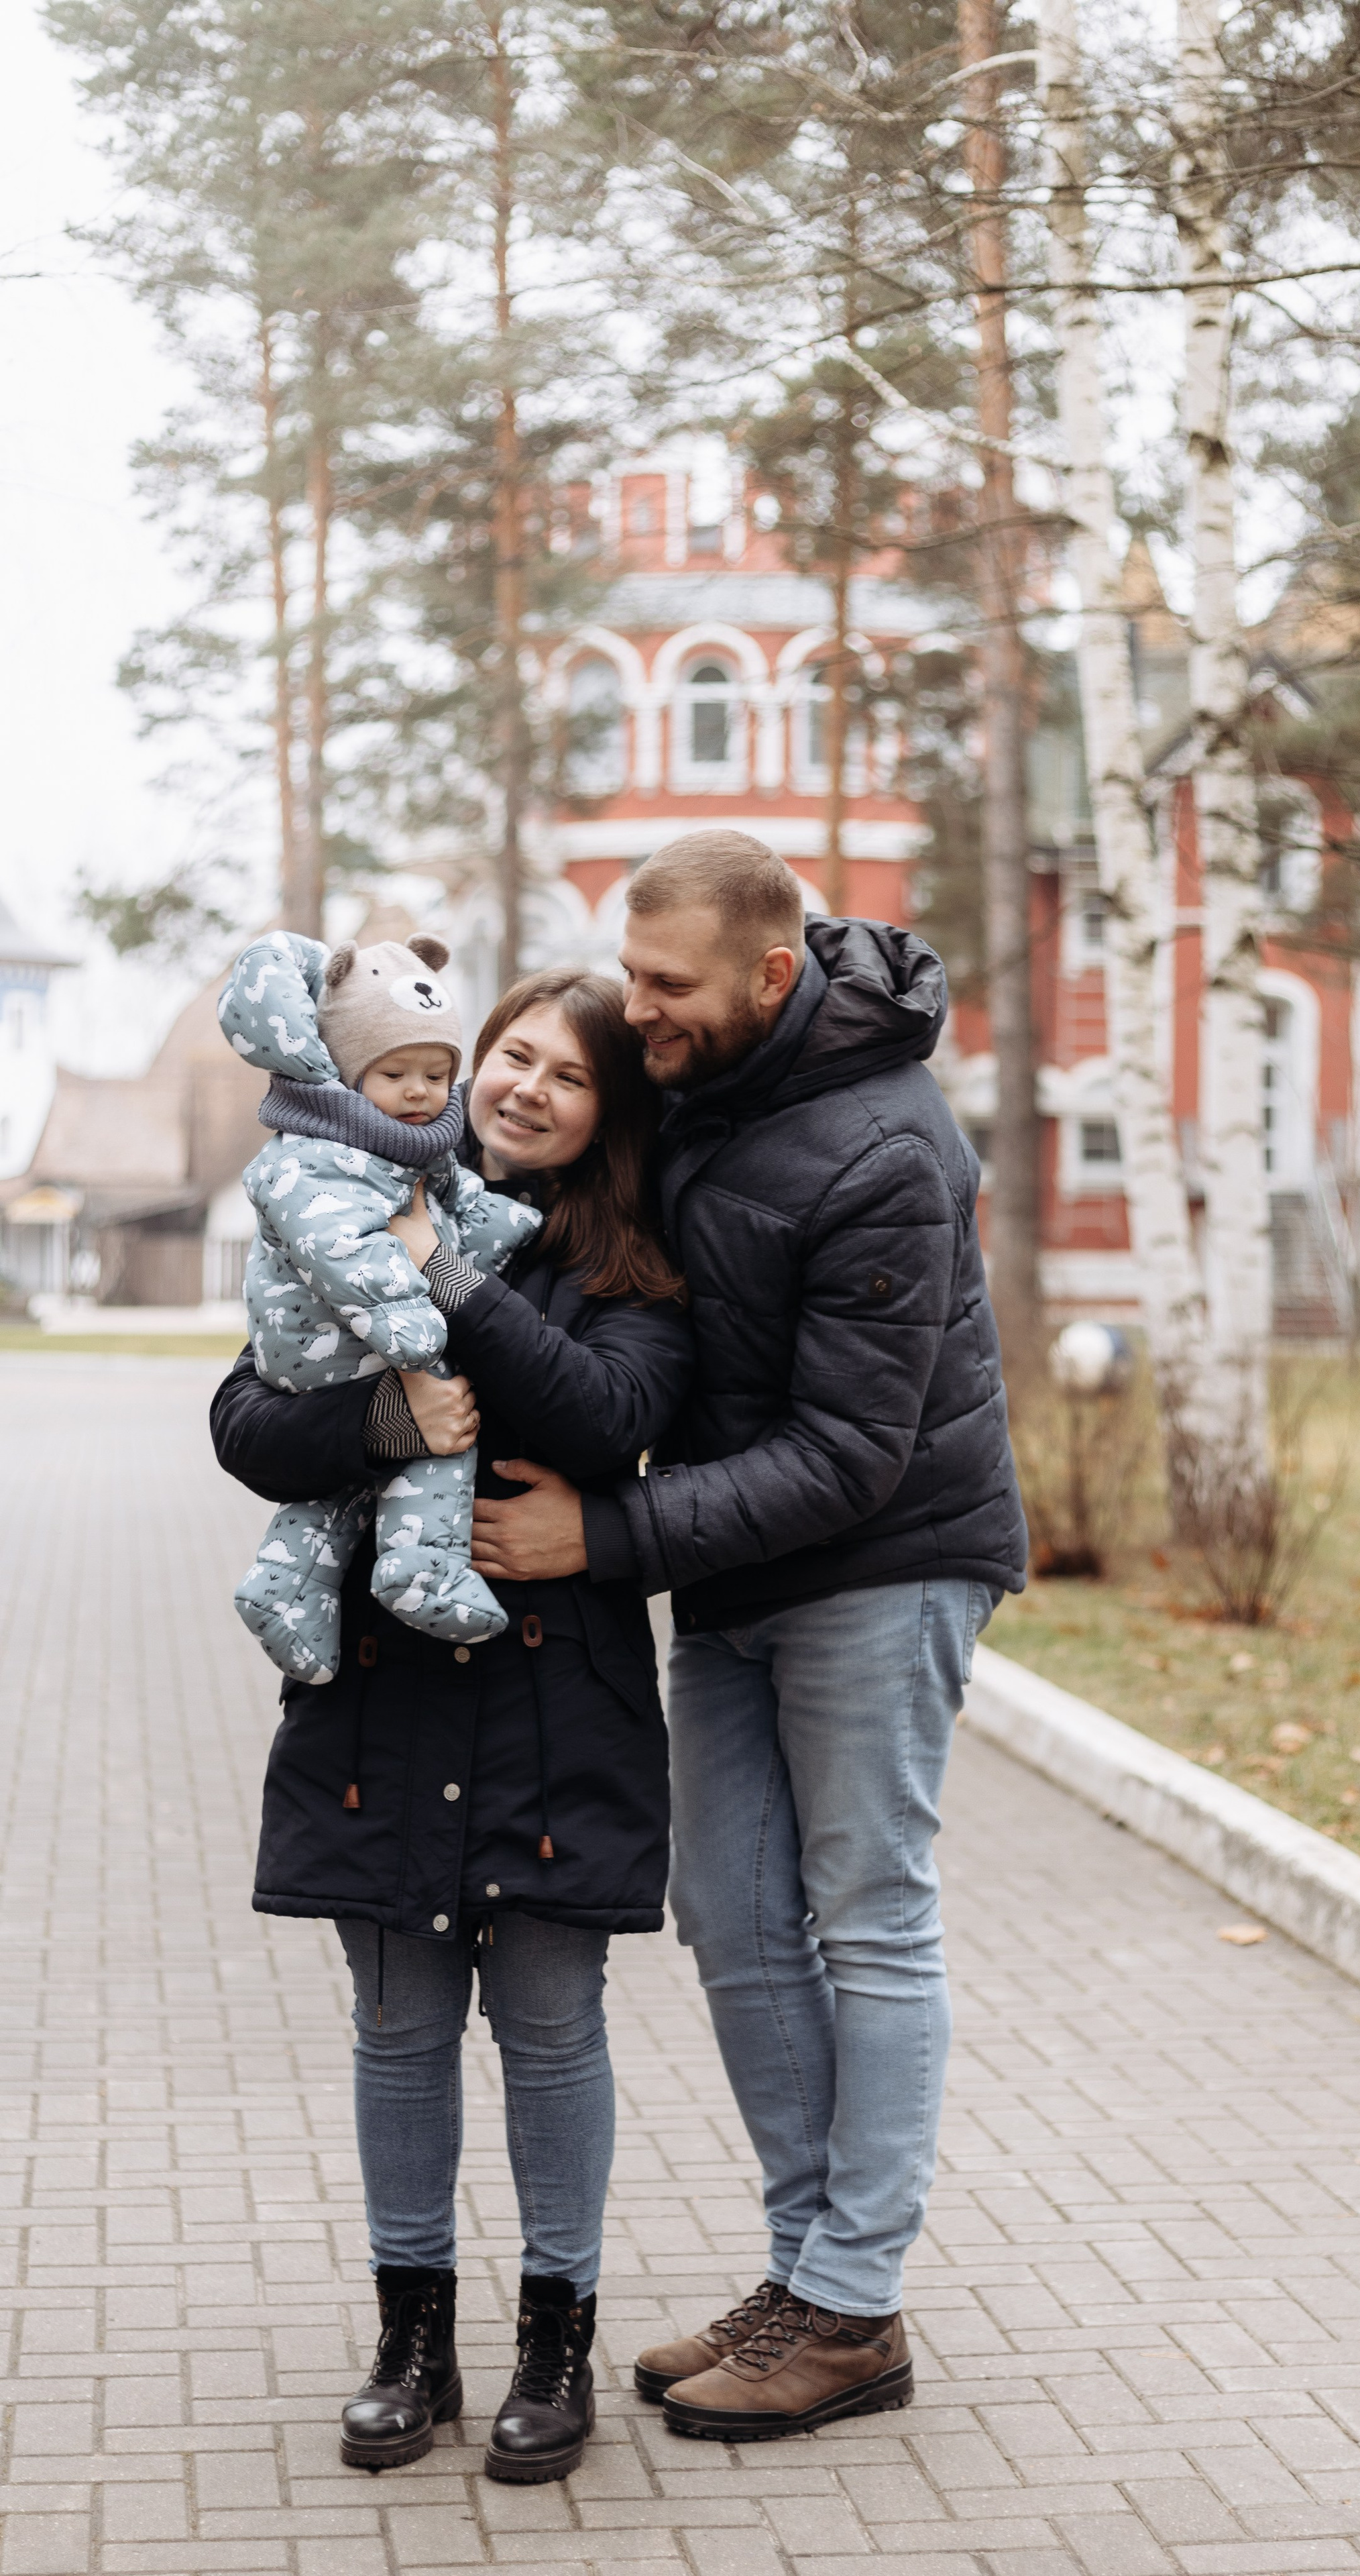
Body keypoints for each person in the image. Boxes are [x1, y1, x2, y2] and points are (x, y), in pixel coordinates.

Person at [502, 829, 1029, 2439]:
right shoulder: (704, 1090)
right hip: (740, 1572)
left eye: (665, 987)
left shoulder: (885, 1148)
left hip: (884, 1559)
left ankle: (852, 2303)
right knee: (729, 1913)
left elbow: (848, 1457)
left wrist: (602, 1537)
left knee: (865, 1912)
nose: (634, 1010)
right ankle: (808, 2270)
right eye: (629, 970)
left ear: (768, 976)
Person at [208, 969, 693, 2485]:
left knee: (550, 2030)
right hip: (385, 1688)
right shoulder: (352, 1193)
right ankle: (409, 2337)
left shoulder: (633, 1266)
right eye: (506, 1055)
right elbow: (241, 1414)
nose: (522, 1085)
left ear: (608, 1106)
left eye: (566, 1069)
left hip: (560, 1709)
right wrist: (377, 1426)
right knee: (400, 2028)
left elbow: (604, 1417)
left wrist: (453, 1278)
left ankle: (557, 2337)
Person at [217, 928, 543, 1682]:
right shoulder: (318, 1153)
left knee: (358, 1475)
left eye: (437, 1073)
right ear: (344, 1069)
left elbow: (456, 1213)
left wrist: (514, 1226)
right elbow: (345, 1251)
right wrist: (412, 1328)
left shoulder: (406, 1149)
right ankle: (419, 1569)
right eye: (395, 1072)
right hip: (334, 1345)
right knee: (442, 1427)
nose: (422, 1092)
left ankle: (283, 1587)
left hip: (351, 1347)